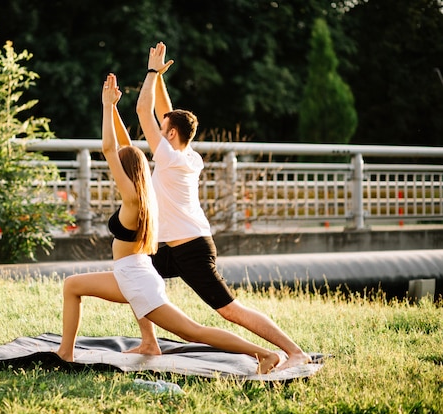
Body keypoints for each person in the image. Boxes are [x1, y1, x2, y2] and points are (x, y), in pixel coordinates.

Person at [56, 73, 281, 374]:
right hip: (132, 273)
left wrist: (107, 107)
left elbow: (111, 149)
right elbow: (122, 147)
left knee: (193, 332)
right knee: (72, 285)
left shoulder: (134, 199)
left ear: (125, 173)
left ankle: (264, 354)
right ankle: (68, 352)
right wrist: (115, 109)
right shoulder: (146, 188)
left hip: (137, 278)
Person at [134, 42, 311, 370]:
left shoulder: (171, 159)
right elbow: (163, 113)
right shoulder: (188, 154)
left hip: (192, 249)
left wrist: (149, 73)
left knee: (230, 310)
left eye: (163, 131)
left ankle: (293, 351)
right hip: (172, 246)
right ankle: (149, 341)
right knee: (134, 271)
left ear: (171, 135)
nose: (157, 132)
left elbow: (144, 112)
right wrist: (158, 78)